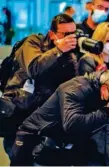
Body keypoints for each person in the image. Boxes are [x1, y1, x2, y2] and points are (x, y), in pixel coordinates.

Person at [10, 65, 109, 166]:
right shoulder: (75, 89)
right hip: (35, 142)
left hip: (60, 148)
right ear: (105, 89)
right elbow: (71, 124)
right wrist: (107, 113)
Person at [1, 13, 78, 158]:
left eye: (73, 34)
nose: (70, 38)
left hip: (43, 124)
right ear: (52, 34)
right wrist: (58, 50)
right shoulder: (33, 42)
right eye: (66, 34)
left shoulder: (69, 56)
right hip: (19, 116)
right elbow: (33, 69)